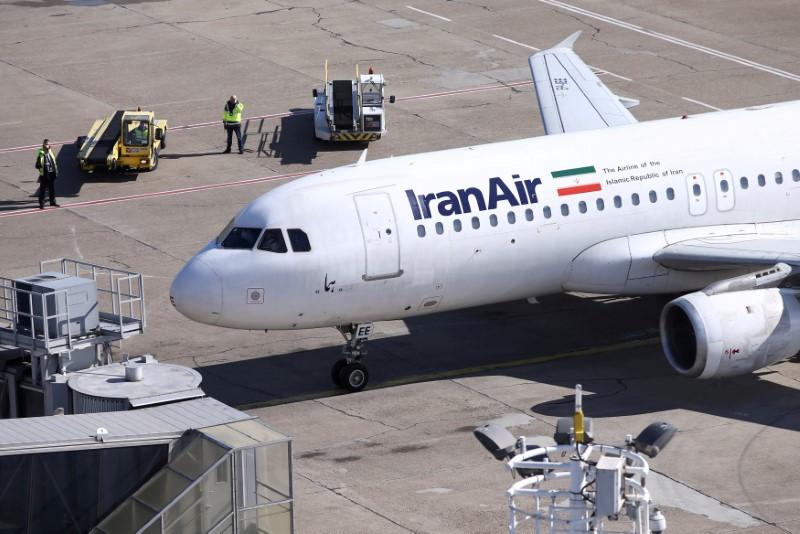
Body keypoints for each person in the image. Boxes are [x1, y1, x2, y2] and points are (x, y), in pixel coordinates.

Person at [35, 139, 59, 209]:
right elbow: (37, 165)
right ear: (43, 145)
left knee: (52, 189)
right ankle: (41, 204)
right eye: (46, 144)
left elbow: (54, 162)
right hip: (44, 175)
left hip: (51, 173)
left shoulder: (51, 152)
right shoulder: (41, 154)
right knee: (42, 190)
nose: (47, 146)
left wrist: (55, 172)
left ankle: (52, 202)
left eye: (48, 144)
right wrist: (41, 163)